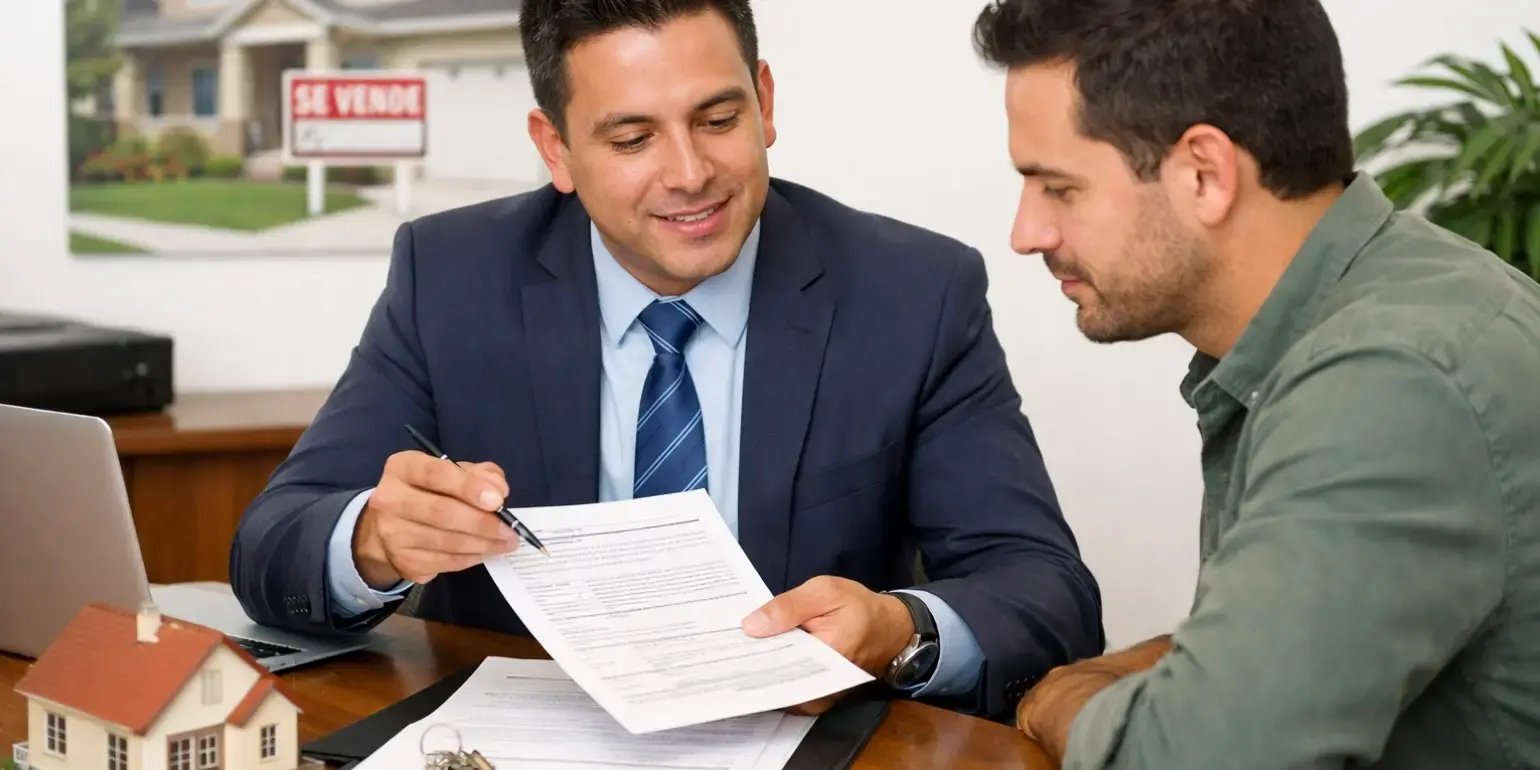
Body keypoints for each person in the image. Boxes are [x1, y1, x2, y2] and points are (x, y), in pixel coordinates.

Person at [230, 0, 1104, 719]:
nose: (689, 173)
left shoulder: (912, 293)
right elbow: (273, 541)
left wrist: (899, 629)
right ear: (555, 148)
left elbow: (1047, 592)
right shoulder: (451, 278)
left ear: (765, 100)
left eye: (718, 120)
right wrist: (373, 541)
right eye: (632, 139)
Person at [972, 0, 1540, 766]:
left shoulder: (1392, 383)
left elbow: (1192, 756)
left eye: (1059, 188)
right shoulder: (1396, 300)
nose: (1026, 234)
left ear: (1205, 174)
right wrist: (1152, 671)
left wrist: (1063, 701)